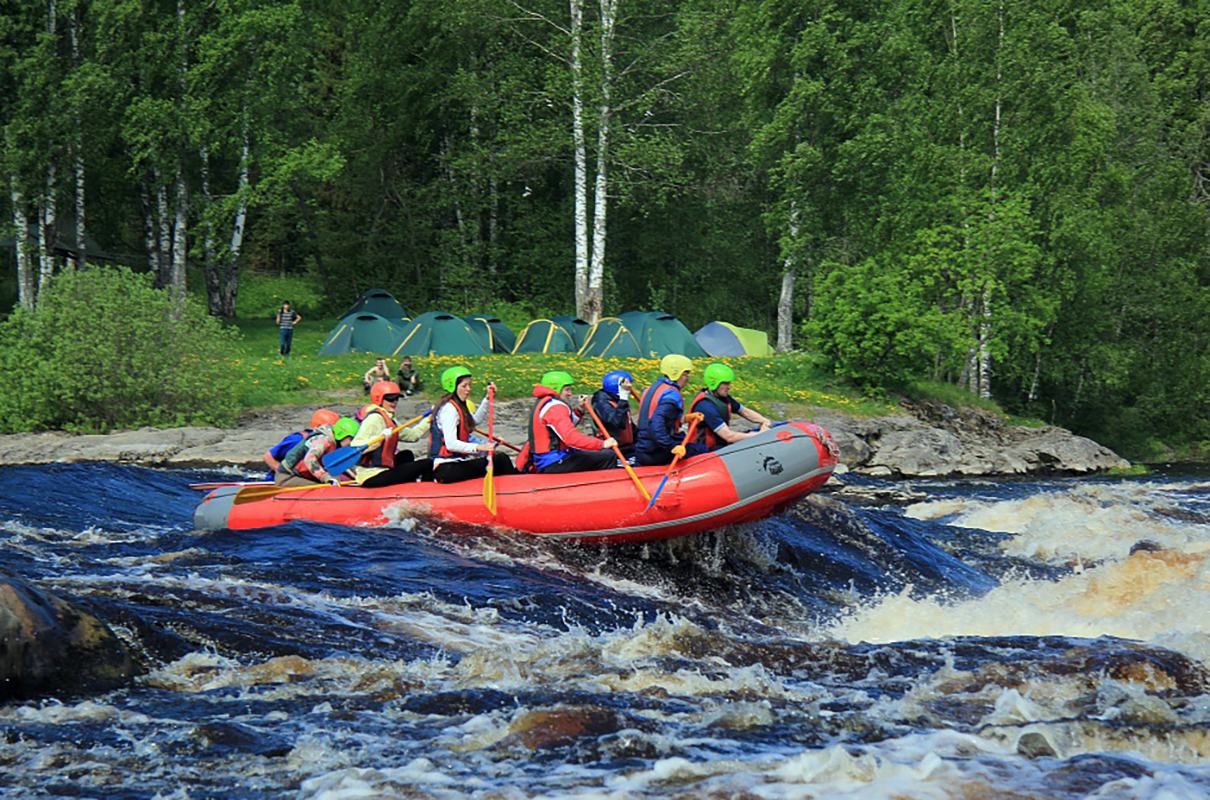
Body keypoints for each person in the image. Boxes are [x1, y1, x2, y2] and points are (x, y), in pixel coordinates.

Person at [429, 366, 517, 483]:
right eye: (464, 386)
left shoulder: (459, 405)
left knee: (499, 458)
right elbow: (451, 444)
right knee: (501, 459)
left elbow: (475, 421)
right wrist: (479, 447)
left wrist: (487, 399)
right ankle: (516, 485)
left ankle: (513, 481)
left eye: (469, 385)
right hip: (445, 467)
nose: (468, 389)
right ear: (453, 387)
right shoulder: (449, 410)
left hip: (458, 461)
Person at [526, 371, 619, 474]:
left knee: (593, 454)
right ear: (556, 389)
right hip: (555, 462)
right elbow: (571, 438)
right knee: (609, 456)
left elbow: (560, 427)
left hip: (550, 459)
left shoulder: (547, 403)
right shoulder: (555, 408)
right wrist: (602, 444)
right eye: (567, 390)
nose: (570, 394)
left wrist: (580, 410)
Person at [353, 381, 433, 486]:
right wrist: (379, 438)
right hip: (371, 475)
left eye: (396, 399)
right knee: (427, 464)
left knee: (406, 455)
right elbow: (356, 445)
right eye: (390, 399)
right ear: (379, 399)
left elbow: (413, 435)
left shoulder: (390, 419)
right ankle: (426, 493)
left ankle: (408, 490)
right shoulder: (374, 418)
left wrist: (428, 419)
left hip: (384, 470)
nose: (394, 402)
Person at [634, 354, 709, 467]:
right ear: (676, 373)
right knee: (702, 449)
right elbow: (656, 424)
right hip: (653, 452)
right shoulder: (671, 395)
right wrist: (672, 446)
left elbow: (661, 418)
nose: (688, 378)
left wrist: (686, 418)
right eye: (686, 374)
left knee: (685, 442)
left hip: (644, 448)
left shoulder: (653, 388)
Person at [690, 363, 773, 450]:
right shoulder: (705, 406)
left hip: (719, 447)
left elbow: (745, 412)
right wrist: (759, 435)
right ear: (714, 383)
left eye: (729, 383)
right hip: (705, 452)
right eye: (725, 384)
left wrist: (765, 421)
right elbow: (728, 436)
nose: (729, 387)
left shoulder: (722, 397)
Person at [274, 417, 360, 487]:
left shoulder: (338, 445)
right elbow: (310, 459)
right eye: (351, 439)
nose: (353, 443)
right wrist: (326, 478)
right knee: (324, 488)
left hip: (306, 477)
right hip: (288, 477)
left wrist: (360, 476)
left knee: (336, 480)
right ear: (341, 435)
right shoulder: (324, 440)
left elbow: (348, 464)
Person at [261, 408, 340, 481]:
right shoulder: (297, 440)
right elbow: (268, 457)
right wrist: (285, 474)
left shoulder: (330, 442)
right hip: (282, 480)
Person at [591, 369, 637, 459]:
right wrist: (623, 398)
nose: (630, 386)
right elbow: (616, 423)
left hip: (627, 448)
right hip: (613, 451)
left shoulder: (617, 402)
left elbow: (630, 427)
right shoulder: (602, 403)